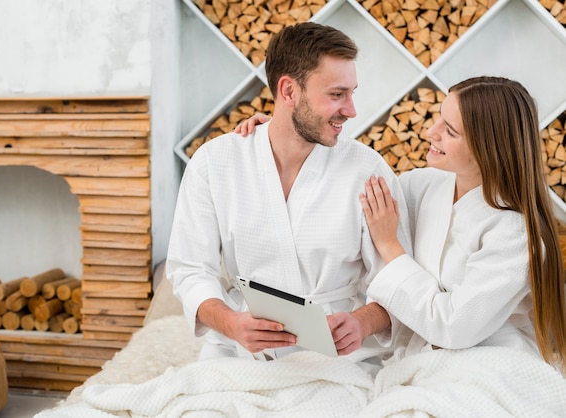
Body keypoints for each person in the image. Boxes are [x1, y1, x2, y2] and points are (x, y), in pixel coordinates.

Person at [237, 76, 566, 371]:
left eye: (449, 131)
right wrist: (285, 137)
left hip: (491, 365)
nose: (429, 132)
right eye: (439, 119)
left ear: (488, 148)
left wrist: (391, 247)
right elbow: (351, 187)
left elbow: (453, 327)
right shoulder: (426, 186)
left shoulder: (515, 233)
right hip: (420, 361)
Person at [166, 21, 412, 370]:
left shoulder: (368, 171)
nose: (352, 110)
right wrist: (231, 324)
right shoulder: (214, 162)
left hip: (339, 358)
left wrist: (361, 323)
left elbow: (396, 280)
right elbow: (190, 268)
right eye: (337, 94)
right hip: (238, 351)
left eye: (352, 92)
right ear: (288, 91)